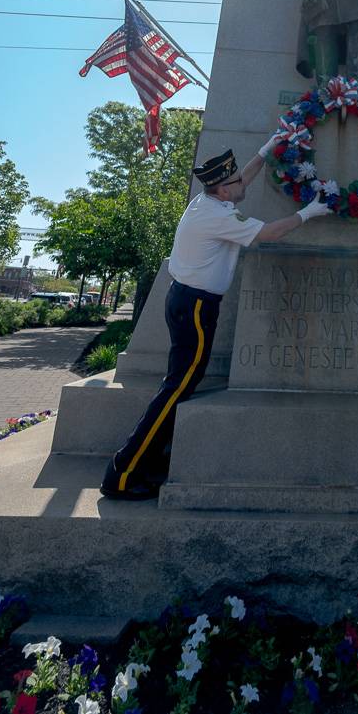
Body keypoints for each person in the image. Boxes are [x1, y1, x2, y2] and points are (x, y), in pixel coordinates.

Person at [100, 140, 331, 500]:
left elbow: (244, 180)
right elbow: (268, 233)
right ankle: (123, 473)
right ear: (224, 189)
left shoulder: (209, 201)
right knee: (176, 389)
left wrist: (266, 150)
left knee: (179, 386)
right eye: (236, 181)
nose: (243, 183)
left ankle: (146, 461)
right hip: (194, 307)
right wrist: (309, 213)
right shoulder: (218, 216)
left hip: (188, 301)